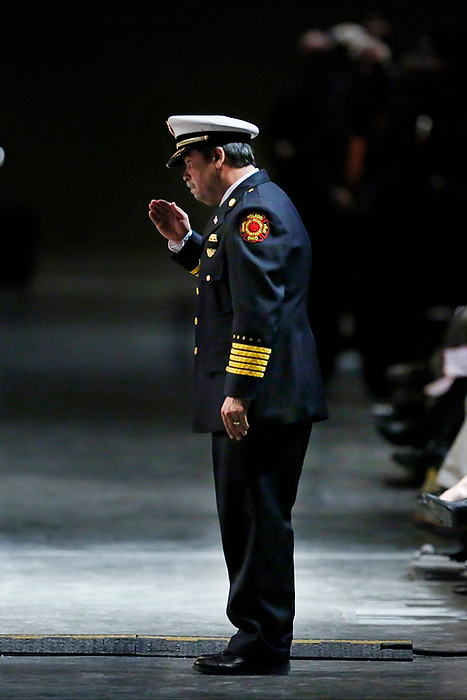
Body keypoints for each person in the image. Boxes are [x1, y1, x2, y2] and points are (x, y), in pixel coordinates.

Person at [148, 115, 327, 675]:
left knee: (257, 519)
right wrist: (186, 243)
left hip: (263, 399)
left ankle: (263, 641)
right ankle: (257, 635)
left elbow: (258, 309)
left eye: (190, 163)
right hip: (265, 394)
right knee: (249, 518)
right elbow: (228, 280)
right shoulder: (245, 206)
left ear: (218, 157)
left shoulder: (253, 212)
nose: (186, 176)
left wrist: (240, 391)